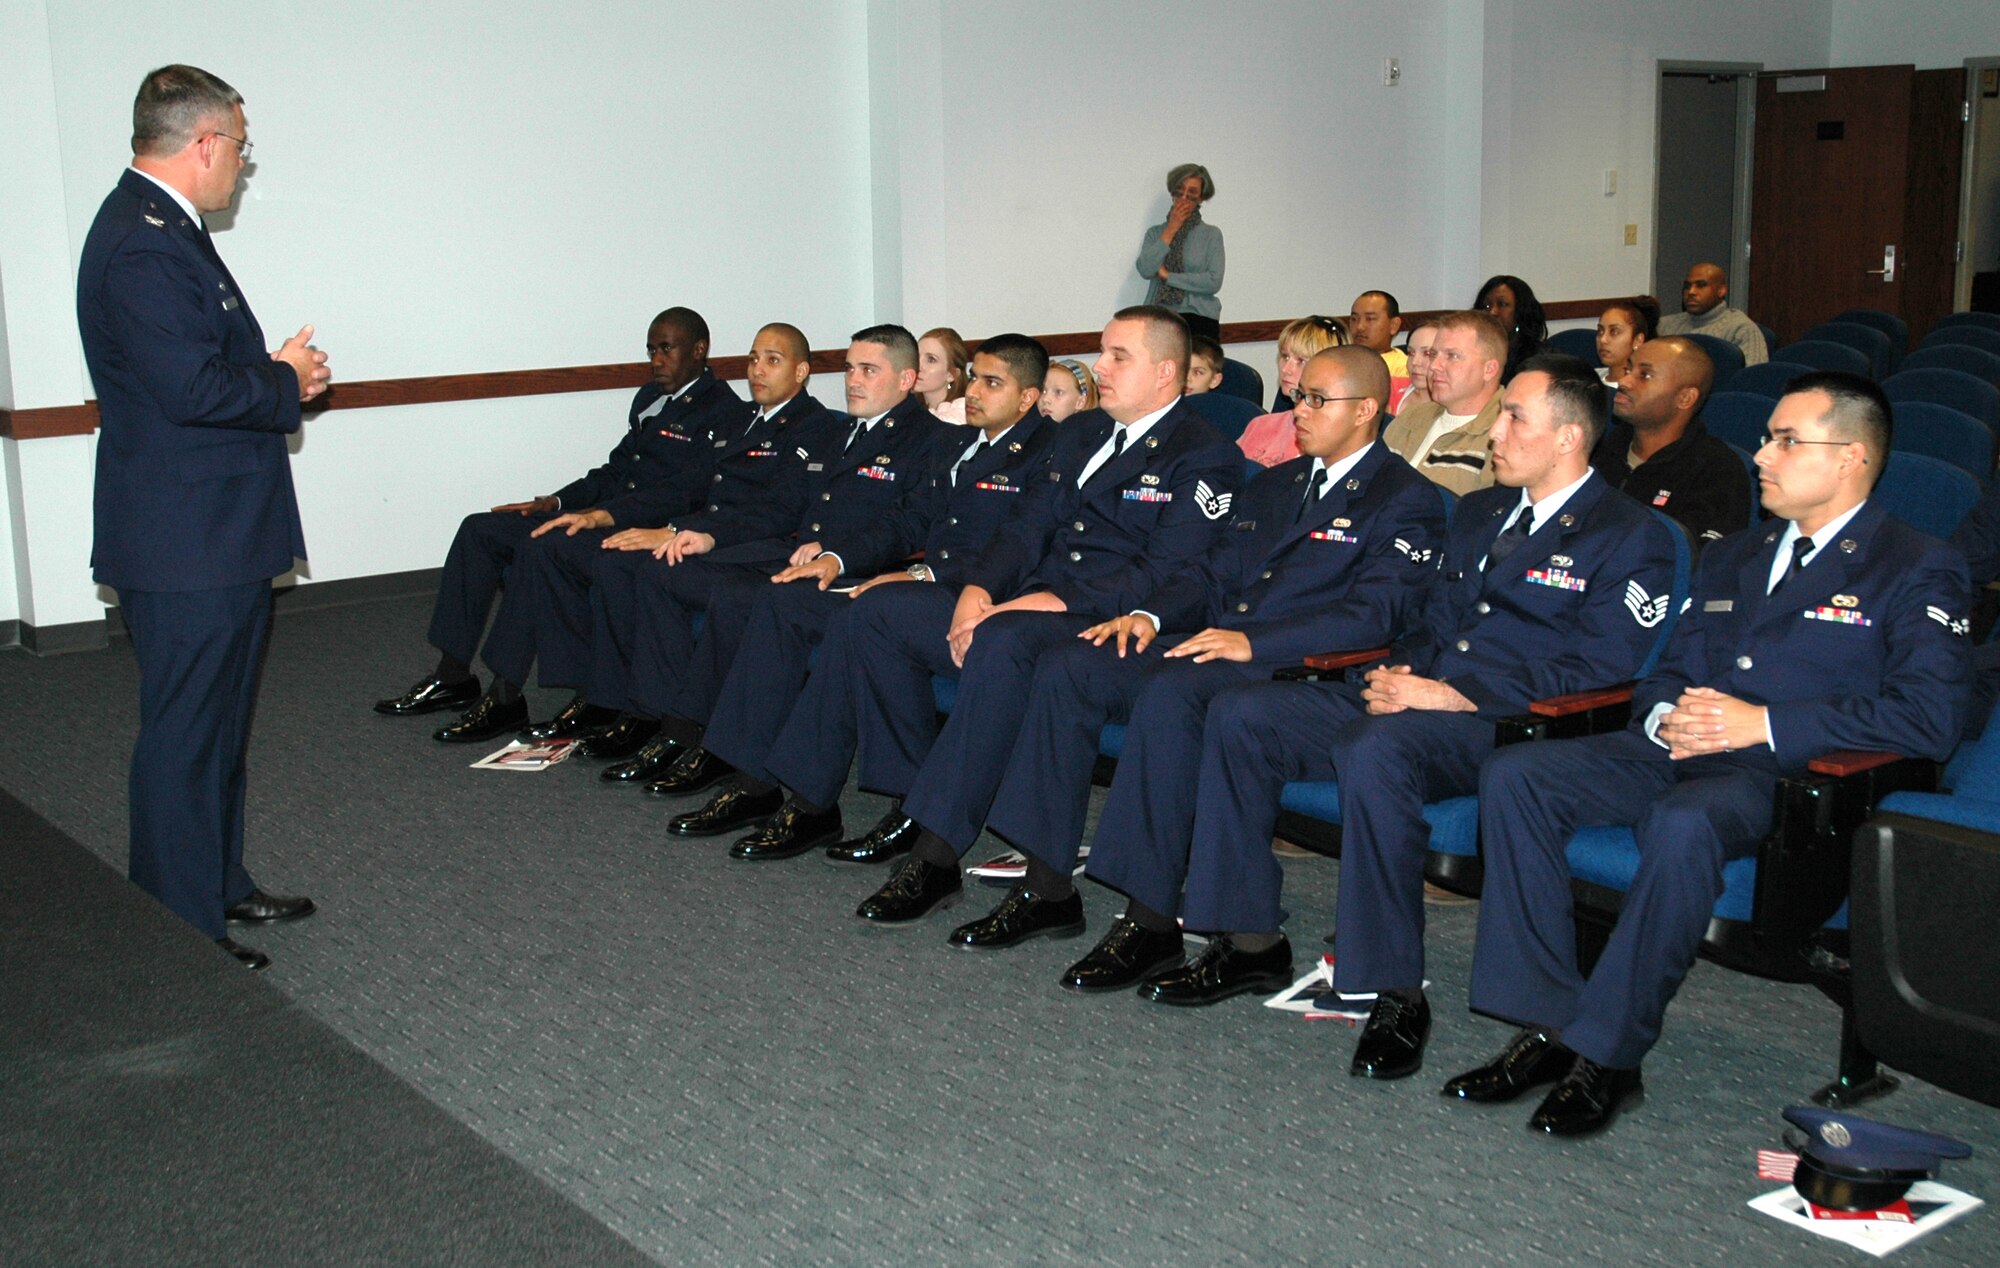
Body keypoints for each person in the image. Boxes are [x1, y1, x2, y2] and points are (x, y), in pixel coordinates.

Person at [1082, 358, 1679, 1045]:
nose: (1497, 433)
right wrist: (1398, 673)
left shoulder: (1630, 535)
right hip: (1421, 694)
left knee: (1378, 747)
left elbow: (1600, 666)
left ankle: (1391, 987)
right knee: (1243, 714)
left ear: (1570, 437)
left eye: (1514, 418)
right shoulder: (1485, 510)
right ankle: (1246, 940)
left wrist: (1453, 694)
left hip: (1511, 723)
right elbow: (1432, 620)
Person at [1453, 372, 1969, 1137]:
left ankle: (1610, 1054)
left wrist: (1761, 726)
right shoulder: (1738, 554)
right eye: (1767, 437)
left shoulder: (1915, 564)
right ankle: (1548, 1023)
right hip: (1676, 747)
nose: (1762, 454)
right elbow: (1665, 668)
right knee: (1518, 775)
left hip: (1787, 776)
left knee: (1684, 823)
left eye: (1788, 440)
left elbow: (1930, 718)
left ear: (1853, 456)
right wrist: (1665, 715)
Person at [711, 308, 1243, 907]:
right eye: (1103, 351)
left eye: (1119, 356)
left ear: (1167, 372)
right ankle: (818, 800)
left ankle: (935, 854)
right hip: (1024, 601)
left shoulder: (1203, 454)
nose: (1101, 366)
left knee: (1003, 642)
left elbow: (1164, 572)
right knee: (877, 612)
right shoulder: (1083, 432)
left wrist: (1041, 601)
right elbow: (1025, 526)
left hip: (1104, 615)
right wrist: (978, 590)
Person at [952, 347, 1447, 958]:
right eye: (1299, 396)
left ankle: (1151, 915)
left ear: (1368, 409)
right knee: (1072, 666)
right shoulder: (1277, 483)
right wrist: (1146, 614)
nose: (1299, 409)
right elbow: (1212, 575)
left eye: (1319, 400)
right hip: (1214, 646)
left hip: (1302, 672)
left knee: (1173, 692)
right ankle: (1048, 885)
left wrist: (1252, 641)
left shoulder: (1404, 498)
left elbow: (1375, 615)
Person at [77, 65, 330, 969]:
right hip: (186, 539)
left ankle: (218, 880)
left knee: (218, 725)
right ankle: (180, 926)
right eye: (242, 149)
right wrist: (282, 380)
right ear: (206, 144)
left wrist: (264, 369)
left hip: (213, 528)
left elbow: (184, 369)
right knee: (185, 733)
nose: (242, 168)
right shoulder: (143, 242)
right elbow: (188, 390)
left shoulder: (163, 229)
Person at [652, 335, 1060, 813]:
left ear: (1028, 398)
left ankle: (816, 804)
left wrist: (920, 574)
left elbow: (1023, 543)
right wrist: (838, 558)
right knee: (782, 599)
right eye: (974, 379)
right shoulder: (960, 442)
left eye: (992, 383)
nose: (972, 392)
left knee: (860, 620)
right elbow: (907, 519)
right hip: (923, 584)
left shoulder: (1048, 453)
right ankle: (751, 776)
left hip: (983, 597)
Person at [559, 326, 946, 761]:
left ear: (906, 379)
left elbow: (909, 523)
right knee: (662, 569)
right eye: (849, 368)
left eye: (868, 370)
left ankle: (702, 741)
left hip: (854, 570)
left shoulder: (930, 440)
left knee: (741, 597)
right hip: (794, 553)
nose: (853, 380)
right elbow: (787, 505)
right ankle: (662, 718)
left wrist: (838, 554)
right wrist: (704, 534)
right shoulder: (845, 433)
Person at [377, 307, 748, 740]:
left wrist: (602, 515)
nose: (656, 359)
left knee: (543, 548)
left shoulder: (725, 412)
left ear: (699, 350)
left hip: (639, 529)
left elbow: (687, 492)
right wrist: (555, 500)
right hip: (601, 514)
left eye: (667, 348)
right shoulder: (650, 399)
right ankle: (453, 674)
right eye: (651, 349)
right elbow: (614, 472)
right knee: (481, 529)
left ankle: (506, 697)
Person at [513, 322, 834, 775]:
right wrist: (669, 527)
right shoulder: (741, 418)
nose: (758, 370)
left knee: (658, 573)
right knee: (620, 564)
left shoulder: (815, 426)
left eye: (773, 361)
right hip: (713, 539)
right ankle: (630, 706)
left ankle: (674, 724)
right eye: (753, 359)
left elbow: (782, 510)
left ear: (801, 371)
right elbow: (697, 486)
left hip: (758, 552)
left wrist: (697, 535)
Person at [1591, 337, 1749, 549]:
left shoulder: (1717, 470)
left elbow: (1697, 561)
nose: (1624, 382)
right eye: (1628, 370)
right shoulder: (1598, 451)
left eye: (1645, 375)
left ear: (1685, 398)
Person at [1383, 311, 1508, 494]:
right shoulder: (1410, 418)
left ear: (1489, 370)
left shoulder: (1506, 433)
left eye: (1452, 356)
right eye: (1433, 354)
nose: (1433, 366)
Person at [1237, 316, 1347, 467]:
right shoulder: (1260, 425)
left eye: (1301, 361)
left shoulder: (1331, 439)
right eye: (1285, 356)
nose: (1285, 369)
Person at [1136, 164, 1224, 341]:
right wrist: (1171, 229)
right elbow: (1145, 269)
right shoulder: (1155, 233)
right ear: (1172, 193)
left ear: (1201, 198)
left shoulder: (1211, 234)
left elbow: (1213, 281)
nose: (1183, 198)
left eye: (1191, 194)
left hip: (1199, 319)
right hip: (1159, 316)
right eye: (1179, 191)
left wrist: (1168, 277)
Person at [1657, 263, 1769, 365]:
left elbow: (1753, 380)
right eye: (1687, 286)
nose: (1691, 292)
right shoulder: (1665, 325)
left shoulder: (1741, 329)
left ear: (1721, 290)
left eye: (1701, 285)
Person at [1475, 274, 1549, 382]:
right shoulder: (1474, 352)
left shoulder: (1539, 359)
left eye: (1502, 304)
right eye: (1486, 306)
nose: (1492, 311)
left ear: (1521, 312)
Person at [1595, 297, 1659, 383]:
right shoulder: (1589, 378)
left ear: (1637, 340)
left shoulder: (1640, 389)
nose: (1603, 339)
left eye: (1614, 332)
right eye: (1600, 331)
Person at [1347, 291, 1408, 378]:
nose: (1360, 327)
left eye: (1370, 319)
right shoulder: (1340, 361)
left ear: (1394, 325)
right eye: (1354, 319)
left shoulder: (1403, 370)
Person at [917, 327, 969, 424]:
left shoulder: (957, 416)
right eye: (916, 356)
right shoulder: (909, 406)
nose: (918, 366)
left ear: (951, 375)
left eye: (931, 360)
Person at [1392, 320, 1440, 415]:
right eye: (1411, 353)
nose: (1415, 362)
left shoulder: (1457, 407)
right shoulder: (1390, 389)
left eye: (1427, 353)